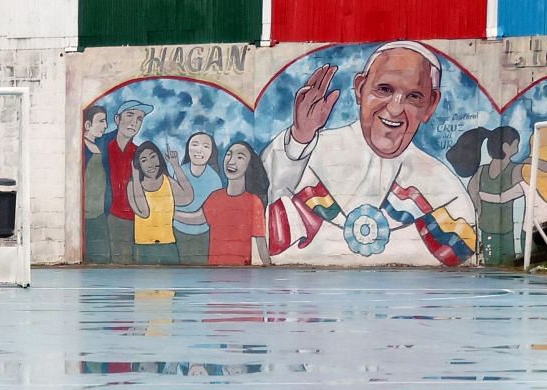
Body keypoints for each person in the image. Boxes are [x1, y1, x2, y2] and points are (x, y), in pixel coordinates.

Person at [262, 42, 477, 266]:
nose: (394, 109)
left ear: (431, 105)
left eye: (414, 97)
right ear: (360, 88)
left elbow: (457, 261)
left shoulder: (446, 192)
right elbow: (265, 202)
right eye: (384, 89)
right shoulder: (305, 151)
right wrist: (300, 137)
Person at [448, 125, 525, 266]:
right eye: (516, 144)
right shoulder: (515, 170)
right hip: (506, 229)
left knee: (489, 259)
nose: (517, 147)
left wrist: (479, 209)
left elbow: (471, 193)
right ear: (506, 148)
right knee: (506, 259)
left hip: (485, 226)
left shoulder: (481, 171)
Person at [94, 99, 152, 265]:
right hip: (108, 216)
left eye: (140, 119)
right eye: (130, 115)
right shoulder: (101, 146)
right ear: (117, 119)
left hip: (136, 218)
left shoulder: (138, 153)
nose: (134, 122)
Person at [201, 139, 271, 266]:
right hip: (215, 271)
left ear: (249, 165)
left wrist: (269, 269)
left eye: (240, 157)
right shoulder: (214, 198)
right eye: (229, 154)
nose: (231, 161)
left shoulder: (254, 202)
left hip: (242, 273)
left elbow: (261, 243)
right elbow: (197, 218)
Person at [127, 143, 189, 266]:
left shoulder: (167, 181)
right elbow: (144, 212)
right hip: (143, 246)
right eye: (144, 160)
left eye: (153, 157)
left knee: (170, 284)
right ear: (138, 165)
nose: (150, 163)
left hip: (168, 244)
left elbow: (187, 198)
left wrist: (176, 166)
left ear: (159, 158)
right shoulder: (132, 186)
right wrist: (135, 178)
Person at [170, 132, 222, 266]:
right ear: (188, 149)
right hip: (177, 231)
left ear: (211, 152)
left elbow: (203, 216)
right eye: (195, 144)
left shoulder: (214, 179)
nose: (199, 150)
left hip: (201, 235)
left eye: (205, 146)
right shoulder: (180, 170)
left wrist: (171, 214)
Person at [81, 105, 112, 263]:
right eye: (101, 121)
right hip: (87, 215)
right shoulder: (82, 149)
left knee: (103, 255)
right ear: (87, 125)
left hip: (99, 213)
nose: (105, 125)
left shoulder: (99, 147)